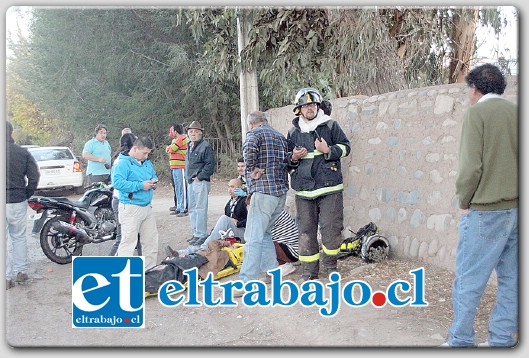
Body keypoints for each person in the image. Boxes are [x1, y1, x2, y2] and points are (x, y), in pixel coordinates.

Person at [443, 64, 518, 348]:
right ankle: (501, 340)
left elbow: (471, 168)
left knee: (469, 279)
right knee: (512, 280)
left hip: (486, 210)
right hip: (517, 210)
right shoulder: (516, 113)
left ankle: (461, 340)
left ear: (474, 89)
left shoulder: (477, 113)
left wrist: (464, 200)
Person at [287, 87, 351, 282]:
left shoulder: (330, 126)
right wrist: (294, 157)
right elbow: (288, 161)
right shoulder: (293, 132)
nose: (310, 108)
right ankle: (309, 272)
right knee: (306, 232)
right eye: (306, 105)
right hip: (304, 191)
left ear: (318, 106)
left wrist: (327, 149)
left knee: (331, 229)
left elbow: (345, 147)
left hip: (330, 188)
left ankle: (331, 266)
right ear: (299, 109)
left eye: (313, 104)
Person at [236, 111, 290, 287]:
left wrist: (252, 172)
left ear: (251, 124)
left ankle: (246, 281)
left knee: (253, 238)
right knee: (266, 233)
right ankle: (271, 272)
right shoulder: (280, 136)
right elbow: (288, 162)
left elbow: (248, 156)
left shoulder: (253, 134)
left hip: (263, 192)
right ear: (265, 121)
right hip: (280, 194)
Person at [165, 177, 247, 256]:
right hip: (231, 233)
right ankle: (183, 253)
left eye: (232, 187)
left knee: (223, 219)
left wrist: (239, 223)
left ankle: (202, 249)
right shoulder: (229, 204)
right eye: (228, 187)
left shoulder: (245, 201)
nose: (229, 189)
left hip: (243, 233)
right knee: (211, 238)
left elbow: (252, 220)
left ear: (240, 187)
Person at [111, 136, 159, 270]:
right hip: (131, 208)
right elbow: (118, 183)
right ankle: (120, 275)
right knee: (128, 243)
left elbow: (153, 174)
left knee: (151, 241)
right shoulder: (122, 163)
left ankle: (150, 271)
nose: (146, 156)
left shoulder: (147, 162)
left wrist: (154, 182)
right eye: (144, 153)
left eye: (148, 153)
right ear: (135, 149)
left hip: (147, 207)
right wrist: (140, 185)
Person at [5, 121, 40, 289]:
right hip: (17, 199)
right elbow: (34, 176)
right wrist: (27, 193)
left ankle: (5, 278)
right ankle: (21, 271)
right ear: (11, 132)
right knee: (18, 237)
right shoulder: (22, 152)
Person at [108, 132, 142, 257]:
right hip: (122, 201)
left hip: (130, 201)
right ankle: (107, 267)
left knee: (137, 236)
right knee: (123, 237)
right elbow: (121, 184)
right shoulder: (122, 161)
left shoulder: (128, 159)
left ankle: (145, 267)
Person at [185, 121, 216, 244]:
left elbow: (211, 164)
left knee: (200, 208)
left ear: (201, 133)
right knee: (192, 208)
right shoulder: (189, 145)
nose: (193, 134)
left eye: (196, 132)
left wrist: (200, 176)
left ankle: (201, 234)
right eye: (191, 131)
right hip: (190, 181)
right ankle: (195, 233)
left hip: (200, 181)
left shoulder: (206, 146)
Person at [166, 123, 190, 217]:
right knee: (178, 188)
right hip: (176, 166)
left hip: (181, 166)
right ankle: (179, 207)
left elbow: (171, 149)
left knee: (182, 188)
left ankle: (183, 208)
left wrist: (169, 148)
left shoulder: (182, 139)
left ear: (175, 131)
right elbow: (171, 149)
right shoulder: (179, 140)